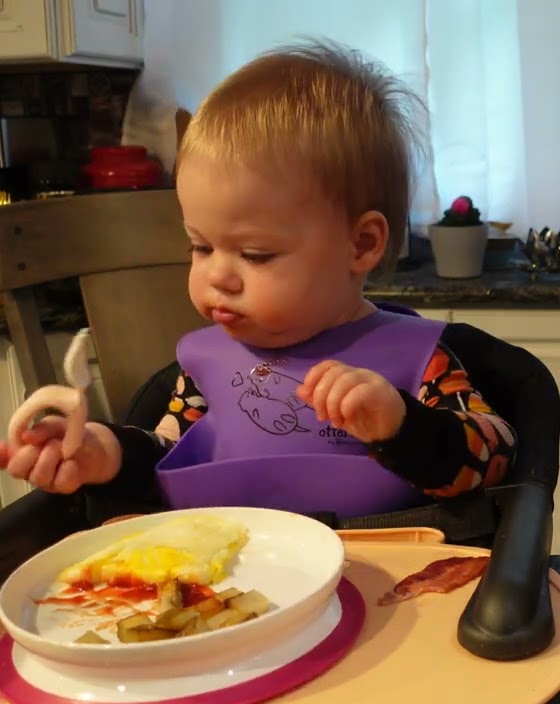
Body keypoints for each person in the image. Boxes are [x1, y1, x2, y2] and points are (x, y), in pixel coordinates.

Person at [0, 40, 517, 521]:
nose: (216, 276)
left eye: (255, 254)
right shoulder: (205, 366)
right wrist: (105, 452)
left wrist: (401, 425)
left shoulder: (419, 360)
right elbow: (166, 457)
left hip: (387, 578)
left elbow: (495, 454)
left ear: (361, 245)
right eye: (201, 246)